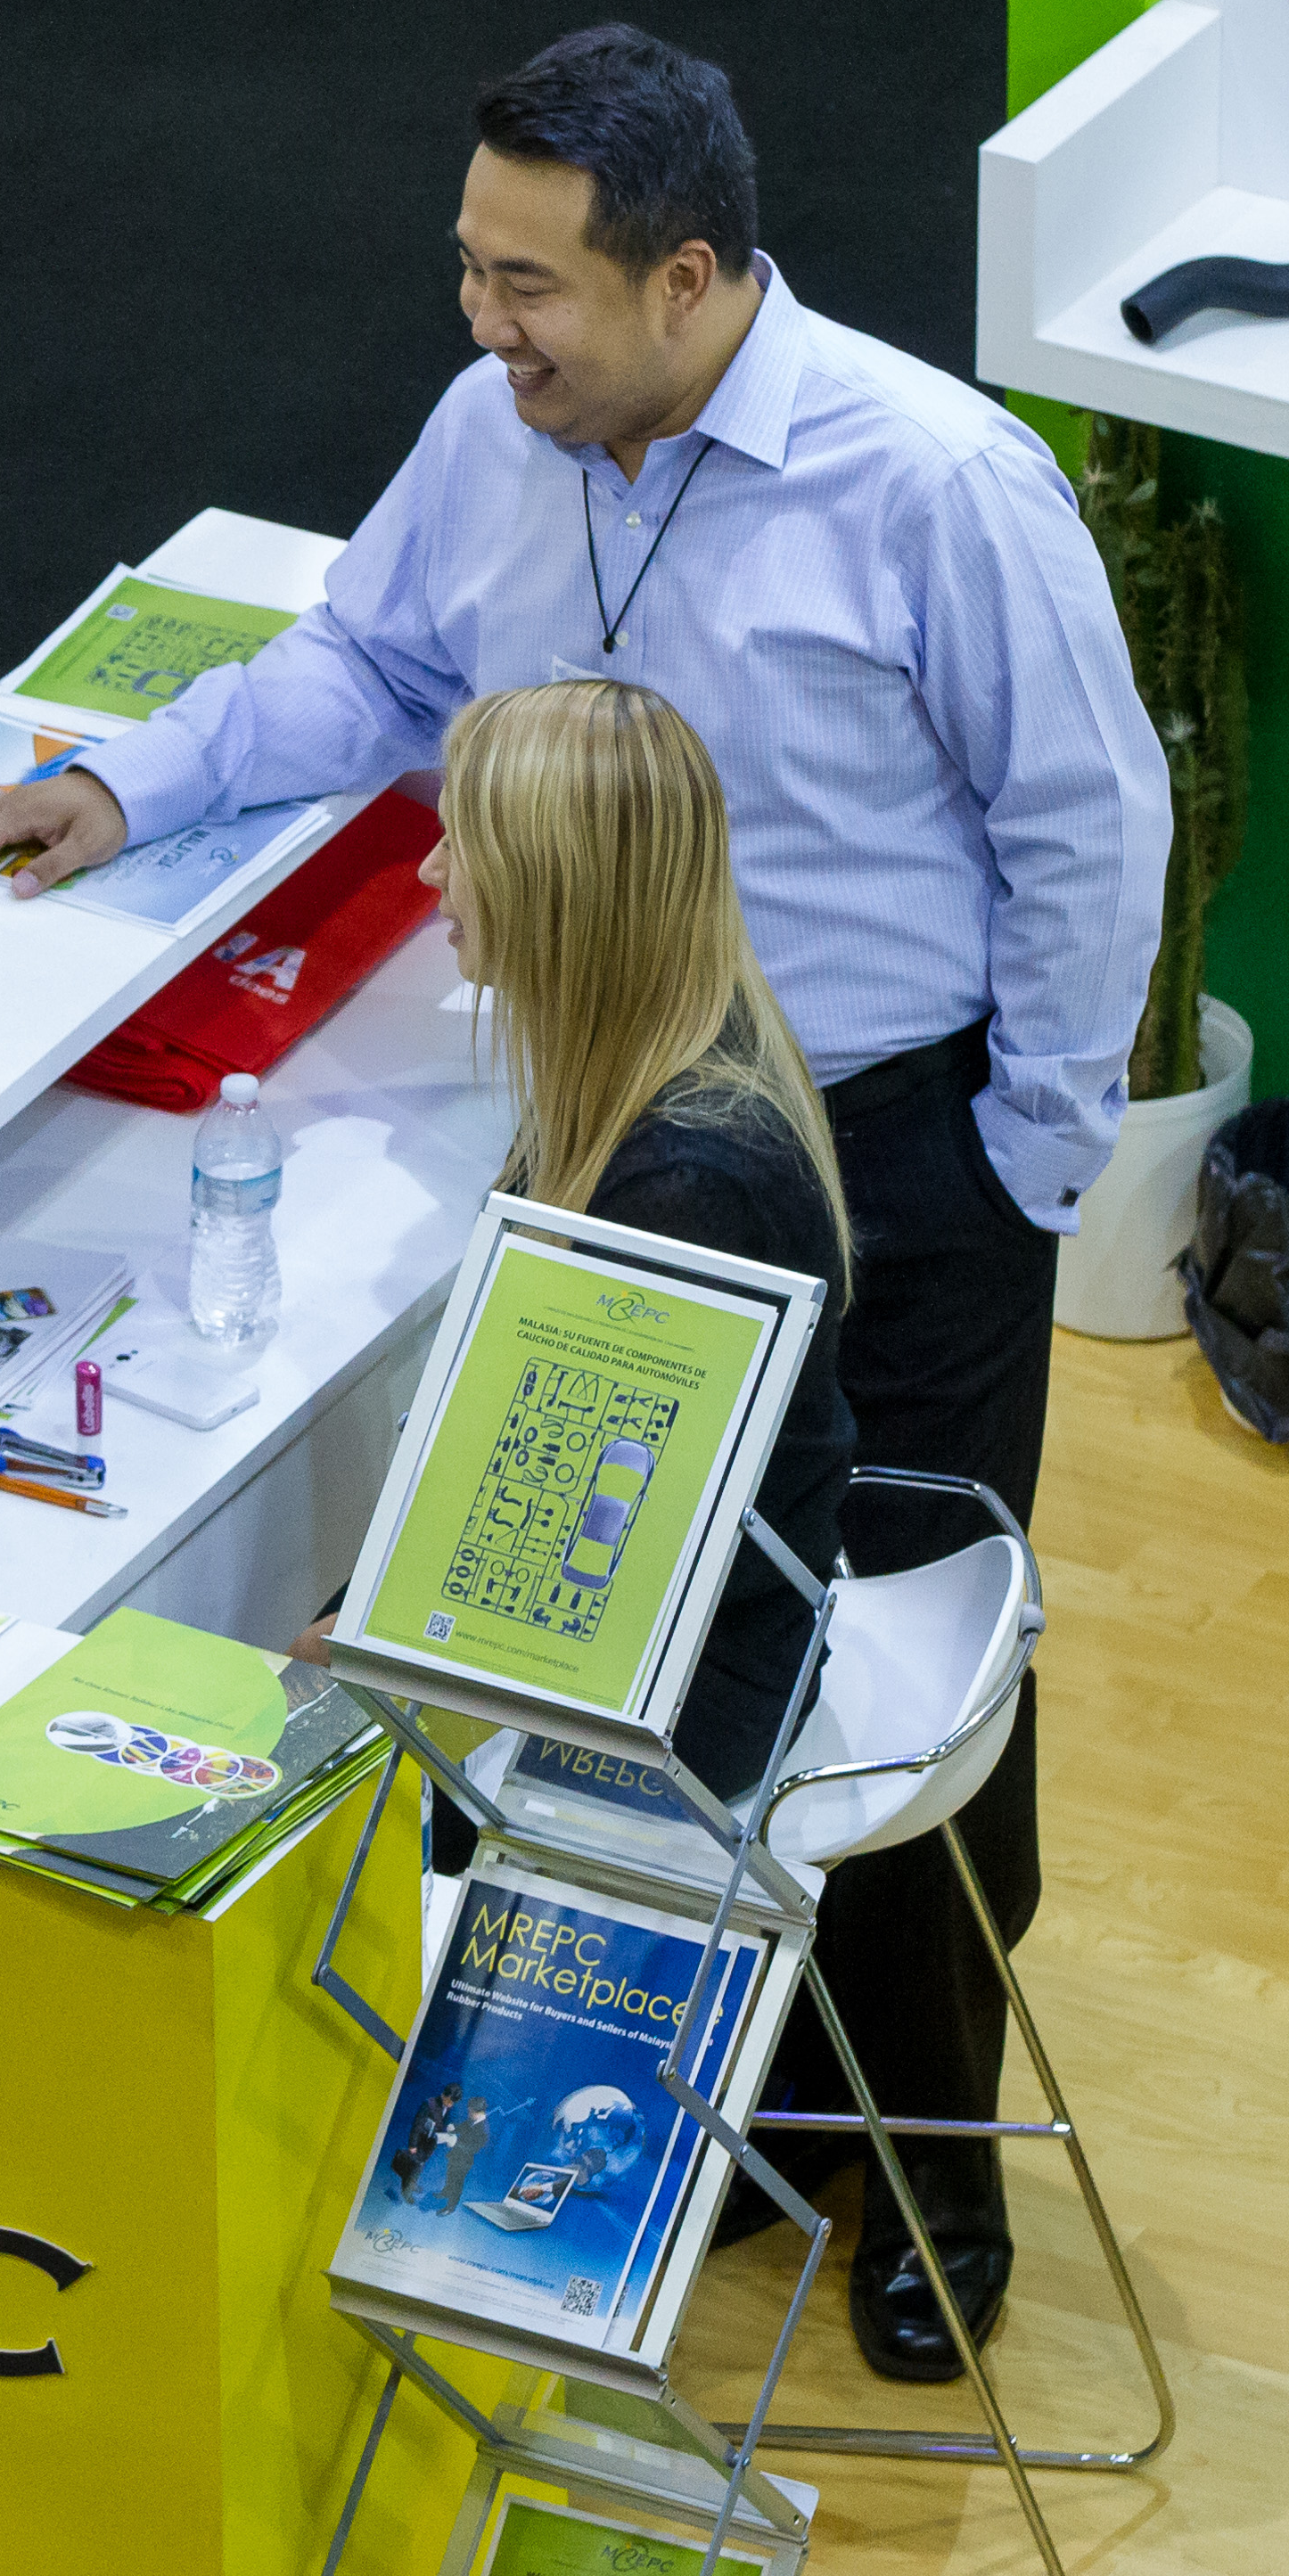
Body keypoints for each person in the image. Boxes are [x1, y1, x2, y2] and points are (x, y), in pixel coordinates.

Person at [0, 28, 1165, 2380]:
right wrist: (131, 787)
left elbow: (1088, 829)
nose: (489, 329)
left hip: (889, 1157)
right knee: (656, 1645)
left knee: (869, 1669)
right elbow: (370, 662)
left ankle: (928, 2166)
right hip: (611, 1121)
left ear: (689, 278)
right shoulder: (503, 434)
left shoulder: (936, 486)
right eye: (472, 269)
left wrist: (1029, 1158)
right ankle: (745, 2100)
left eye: (534, 285)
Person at [412, 678, 852, 1832]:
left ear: (552, 884)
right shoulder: (679, 1046)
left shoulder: (684, 1184)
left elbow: (597, 1563)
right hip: (700, 1626)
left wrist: (375, 1654)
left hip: (686, 1705)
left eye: (463, 838)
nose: (431, 872)